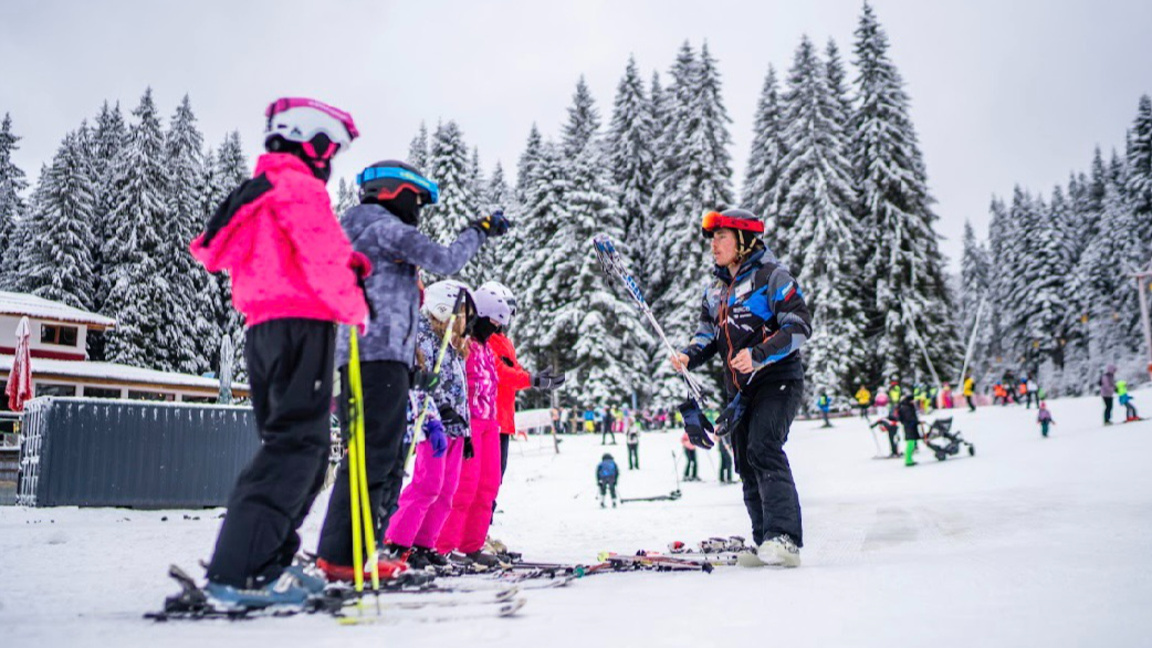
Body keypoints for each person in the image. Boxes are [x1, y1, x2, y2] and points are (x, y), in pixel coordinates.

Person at [192, 97, 366, 608]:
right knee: (298, 450)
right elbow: (321, 255)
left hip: (267, 330)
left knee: (301, 451)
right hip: (301, 327)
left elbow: (218, 249)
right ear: (308, 141)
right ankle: (241, 570)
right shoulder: (298, 187)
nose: (330, 159)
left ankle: (266, 562)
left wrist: (346, 262)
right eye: (329, 147)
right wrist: (354, 301)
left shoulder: (262, 189)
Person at [314, 159, 508, 582]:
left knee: (375, 460)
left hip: (363, 355)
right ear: (394, 194)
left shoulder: (357, 231)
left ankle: (356, 553)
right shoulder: (385, 229)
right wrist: (480, 230)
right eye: (416, 201)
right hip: (379, 356)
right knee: (377, 460)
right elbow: (447, 259)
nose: (418, 211)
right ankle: (344, 557)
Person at [671, 208, 812, 567]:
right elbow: (708, 336)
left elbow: (799, 326)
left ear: (745, 241)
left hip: (776, 379)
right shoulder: (716, 290)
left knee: (764, 446)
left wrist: (760, 354)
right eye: (712, 238)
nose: (714, 245)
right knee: (745, 461)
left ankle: (785, 539)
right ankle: (764, 539)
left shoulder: (772, 277)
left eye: (722, 237)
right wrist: (688, 355)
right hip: (738, 391)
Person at [383, 282, 471, 570]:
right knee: (427, 485)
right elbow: (422, 381)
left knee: (446, 490)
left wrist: (465, 429)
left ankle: (424, 543)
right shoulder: (424, 336)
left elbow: (460, 386)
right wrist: (441, 410)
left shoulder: (452, 340)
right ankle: (397, 542)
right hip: (432, 423)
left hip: (456, 426)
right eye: (460, 313)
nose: (464, 320)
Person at [478, 281, 564, 515]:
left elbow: (514, 370)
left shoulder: (504, 342)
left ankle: (482, 531)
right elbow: (501, 373)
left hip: (504, 419)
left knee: (495, 479)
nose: (505, 322)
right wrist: (532, 380)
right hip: (489, 418)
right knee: (484, 480)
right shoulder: (484, 341)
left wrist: (534, 378)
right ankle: (474, 535)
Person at [897, 396, 920, 467]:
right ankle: (908, 460)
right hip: (909, 427)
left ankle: (909, 459)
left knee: (911, 443)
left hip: (910, 426)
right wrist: (915, 421)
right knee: (910, 443)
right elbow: (909, 418)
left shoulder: (907, 407)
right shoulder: (906, 408)